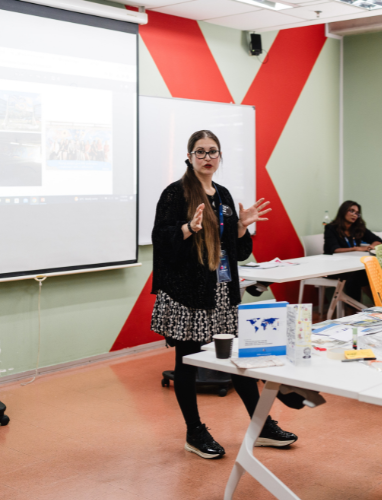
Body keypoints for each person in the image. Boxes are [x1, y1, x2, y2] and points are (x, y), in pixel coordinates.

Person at [151, 130, 297, 460]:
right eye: (200, 151)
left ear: (220, 157)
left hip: (221, 291)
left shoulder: (224, 195)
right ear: (189, 156)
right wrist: (189, 228)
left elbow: (238, 252)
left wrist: (242, 227)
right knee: (187, 362)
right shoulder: (175, 194)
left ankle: (261, 426)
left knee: (235, 358)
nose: (207, 157)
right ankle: (194, 432)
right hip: (187, 293)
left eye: (212, 151)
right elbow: (161, 240)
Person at [323, 200, 382, 307]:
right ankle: (360, 307)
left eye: (357, 213)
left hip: (350, 265)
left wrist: (372, 246)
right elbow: (335, 249)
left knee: (366, 272)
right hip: (333, 267)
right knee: (356, 274)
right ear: (343, 211)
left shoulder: (357, 228)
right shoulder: (331, 228)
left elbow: (378, 240)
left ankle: (378, 304)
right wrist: (356, 249)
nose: (354, 215)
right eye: (351, 211)